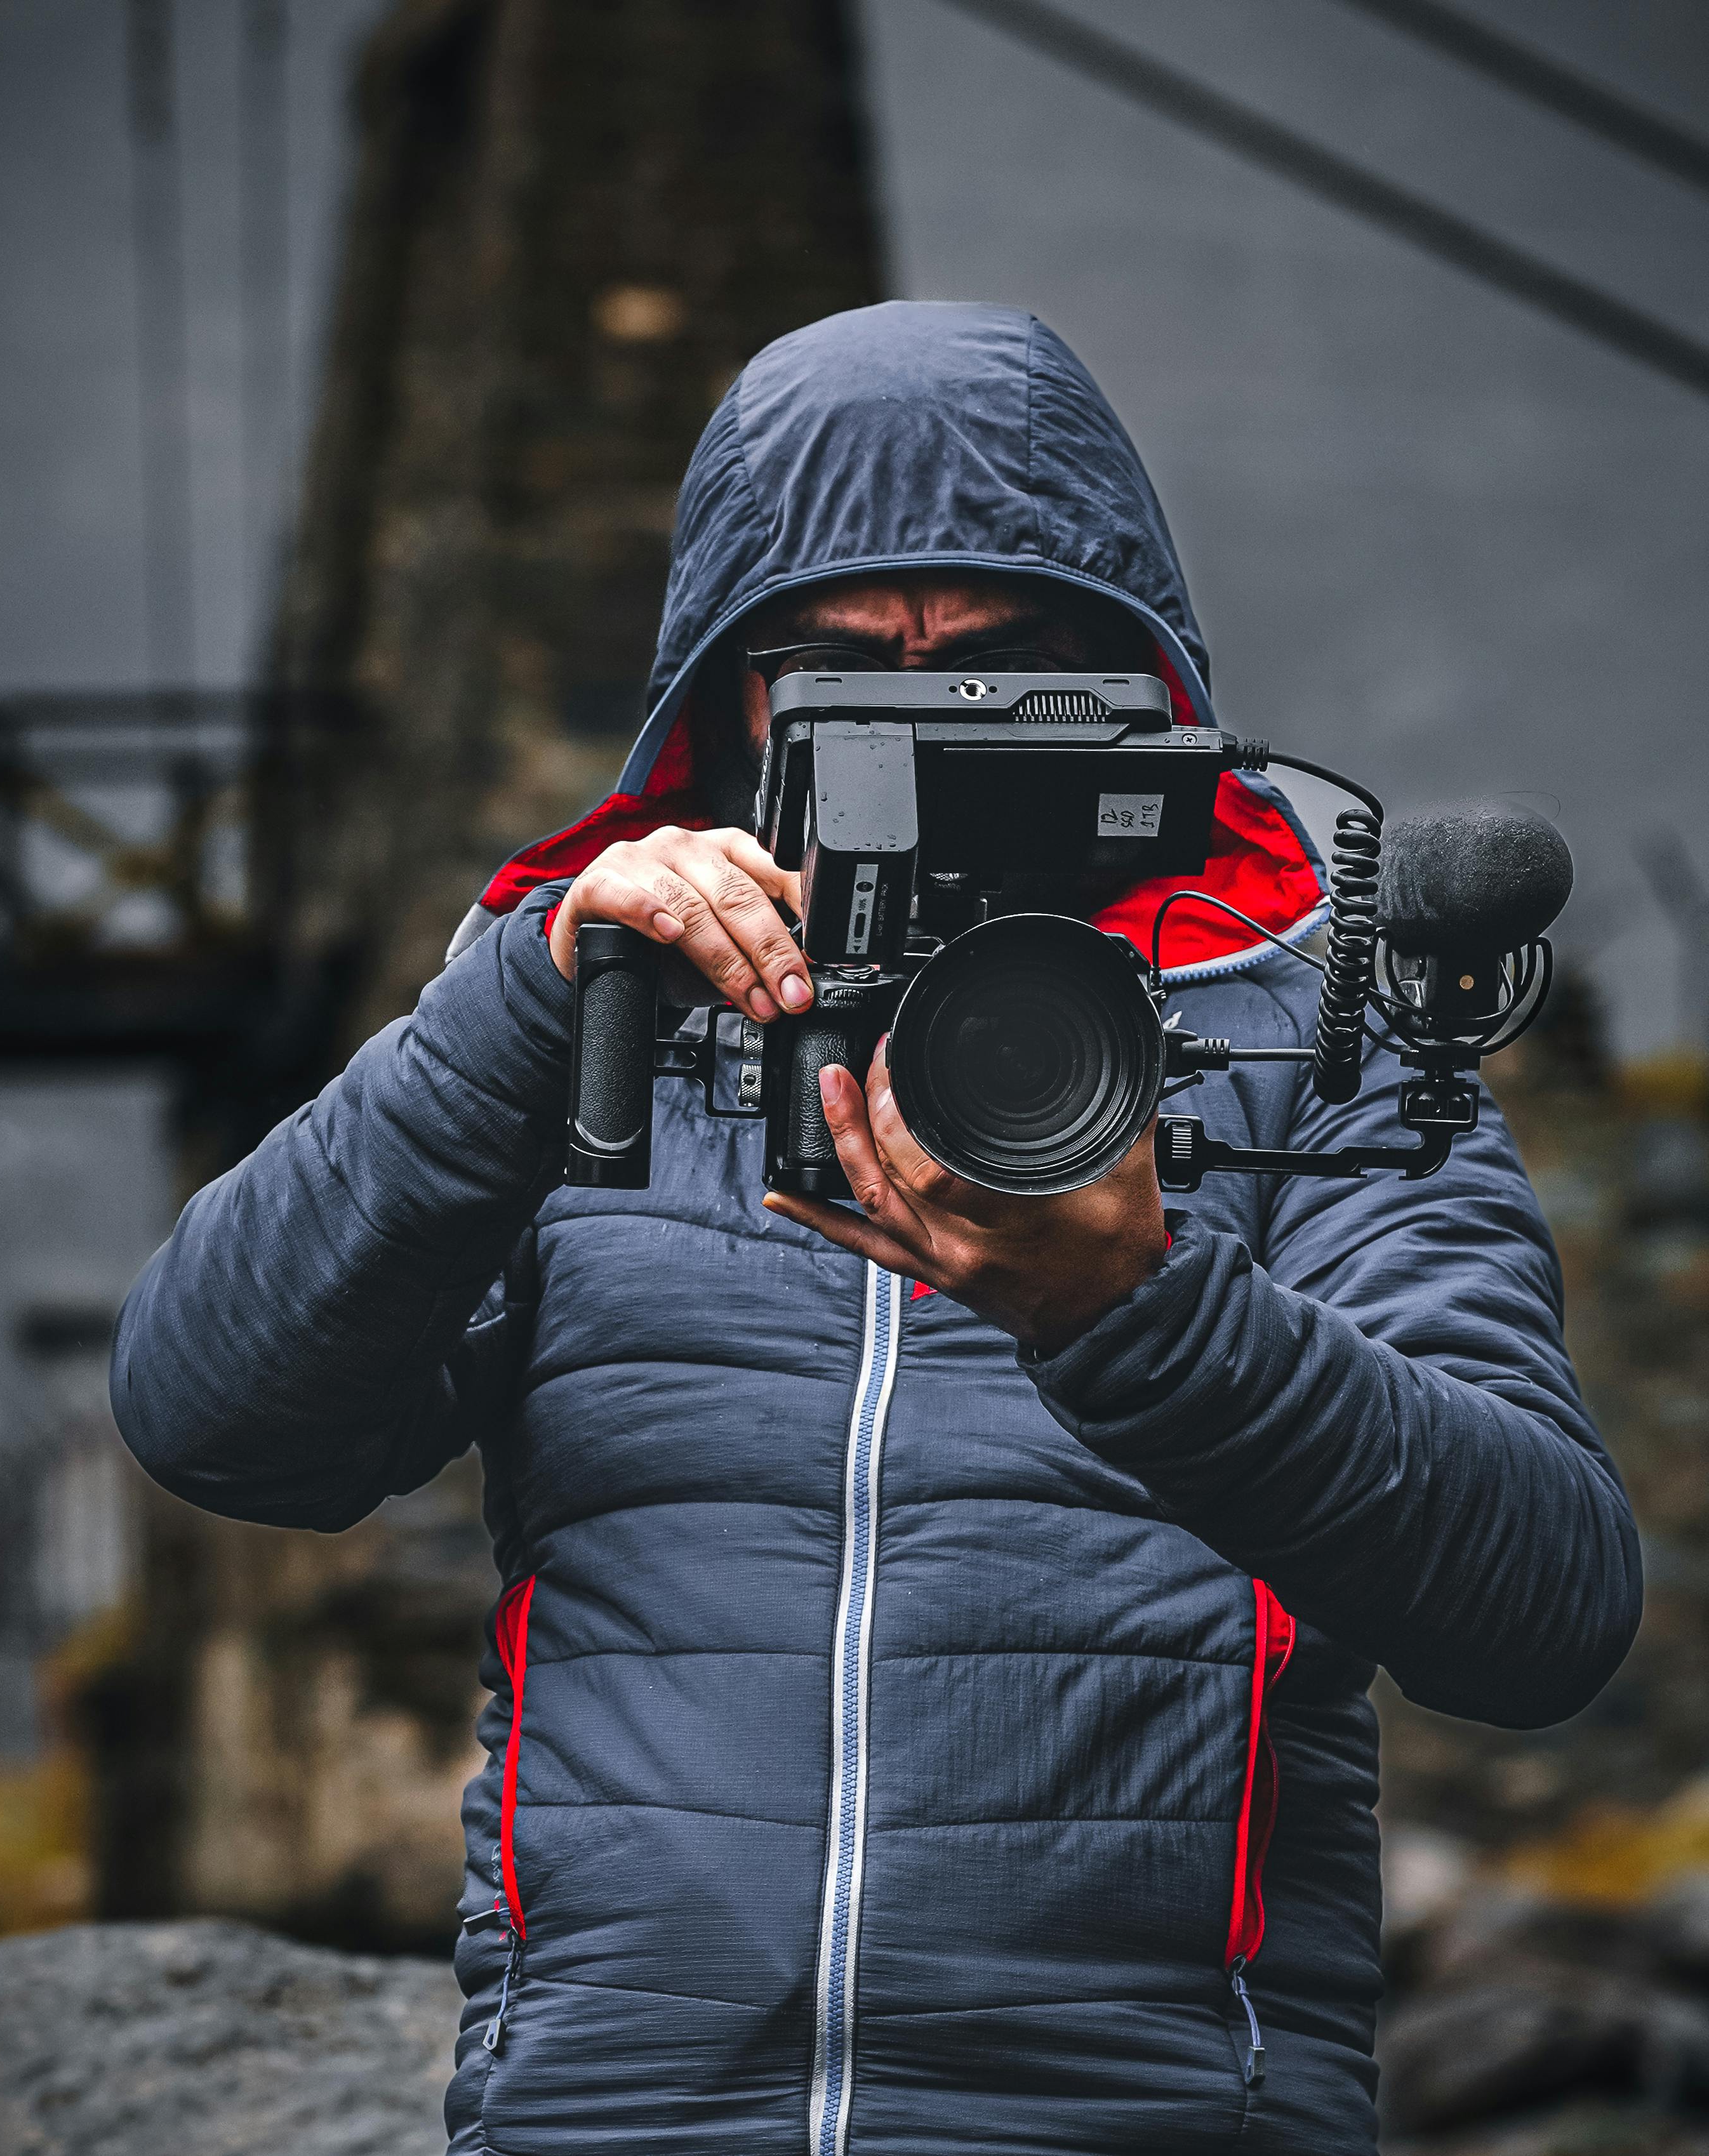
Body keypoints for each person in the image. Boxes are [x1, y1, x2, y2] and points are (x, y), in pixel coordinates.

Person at [111, 302, 1641, 2155]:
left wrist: (1145, 1315)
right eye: (838, 673)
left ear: (1139, 687)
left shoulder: (1311, 1040)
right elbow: (216, 1418)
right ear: (724, 702)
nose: (920, 725)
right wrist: (520, 1007)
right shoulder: (584, 1021)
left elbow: (1544, 1614)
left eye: (1001, 672)